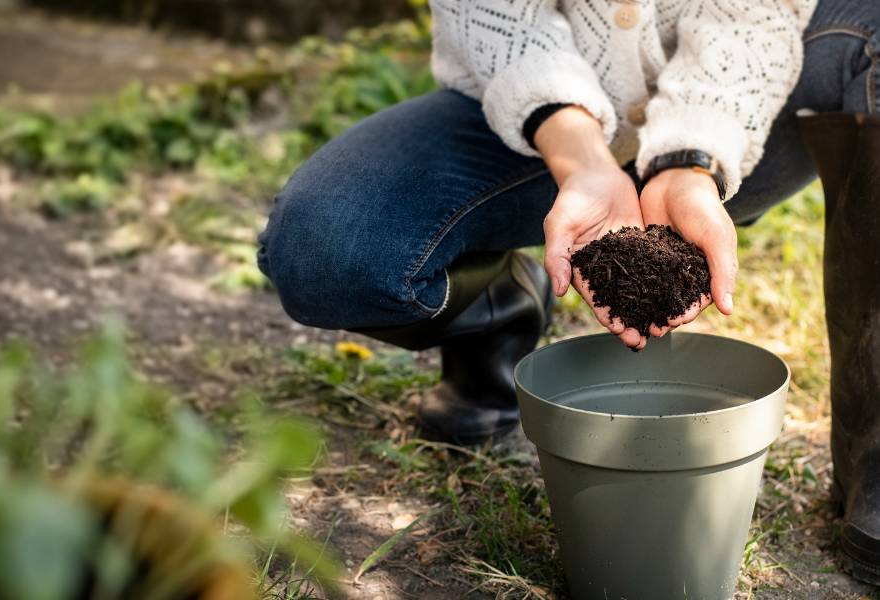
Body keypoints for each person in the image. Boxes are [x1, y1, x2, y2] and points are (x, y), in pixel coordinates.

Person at [258, 0, 880, 583]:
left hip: (742, 103)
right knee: (324, 249)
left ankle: (873, 468)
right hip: (530, 120)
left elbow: (755, 14)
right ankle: (498, 306)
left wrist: (691, 162)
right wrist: (579, 156)